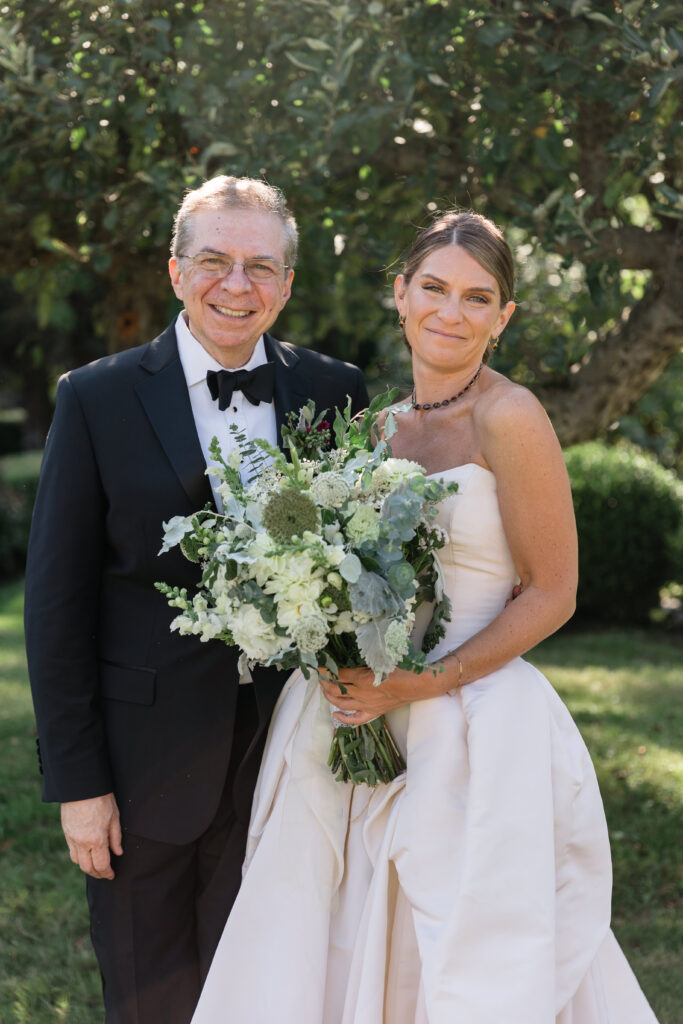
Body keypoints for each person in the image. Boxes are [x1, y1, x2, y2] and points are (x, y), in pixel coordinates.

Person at [190, 210, 659, 1023]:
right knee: (320, 927)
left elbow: (553, 591)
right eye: (434, 288)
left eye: (477, 298)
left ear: (502, 319)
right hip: (352, 712)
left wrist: (420, 683)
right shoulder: (373, 428)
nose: (451, 311)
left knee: (465, 957)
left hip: (468, 718)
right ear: (400, 296)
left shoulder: (508, 418)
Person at [24, 175, 368, 1024]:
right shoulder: (94, 397)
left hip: (291, 763)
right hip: (142, 770)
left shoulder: (335, 391)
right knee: (150, 996)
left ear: (287, 283)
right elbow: (56, 603)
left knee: (273, 993)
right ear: (176, 272)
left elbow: (362, 572)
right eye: (213, 261)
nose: (236, 285)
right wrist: (79, 784)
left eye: (260, 266)